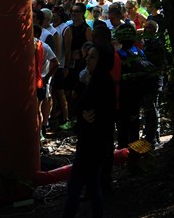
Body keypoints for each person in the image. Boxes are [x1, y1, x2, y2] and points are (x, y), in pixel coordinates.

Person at [63, 43, 116, 218]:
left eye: (93, 57)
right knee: (91, 184)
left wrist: (82, 110)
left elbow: (83, 105)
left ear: (102, 60)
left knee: (76, 184)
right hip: (94, 142)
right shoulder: (93, 79)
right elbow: (79, 105)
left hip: (93, 143)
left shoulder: (101, 82)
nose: (88, 60)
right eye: (88, 56)